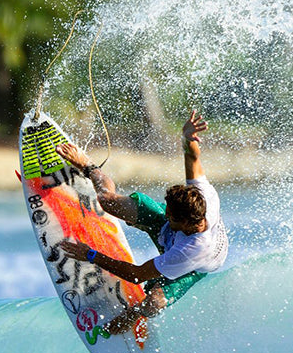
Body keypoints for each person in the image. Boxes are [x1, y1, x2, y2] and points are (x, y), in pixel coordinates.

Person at [57, 110, 229, 337]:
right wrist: (187, 137)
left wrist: (91, 255)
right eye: (167, 211)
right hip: (181, 235)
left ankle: (130, 317)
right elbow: (193, 158)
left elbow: (136, 275)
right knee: (108, 201)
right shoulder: (200, 196)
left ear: (186, 222)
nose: (165, 215)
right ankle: (88, 166)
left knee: (153, 303)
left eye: (171, 216)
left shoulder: (189, 251)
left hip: (195, 266)